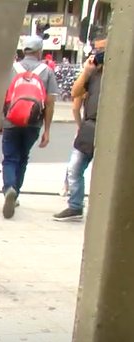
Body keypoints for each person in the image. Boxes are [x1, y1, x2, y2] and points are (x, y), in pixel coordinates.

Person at [0, 35, 58, 219]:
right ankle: (16, 191)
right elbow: (50, 103)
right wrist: (47, 130)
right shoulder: (47, 71)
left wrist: (0, 121)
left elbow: (2, 96)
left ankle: (9, 187)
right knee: (23, 158)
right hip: (33, 123)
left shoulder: (11, 69)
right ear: (40, 51)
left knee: (10, 157)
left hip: (11, 121)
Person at [53, 33, 106, 222]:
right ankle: (75, 206)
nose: (98, 53)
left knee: (105, 172)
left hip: (105, 127)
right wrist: (86, 72)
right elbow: (75, 94)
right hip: (88, 126)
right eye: (96, 49)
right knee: (74, 168)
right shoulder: (93, 73)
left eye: (102, 49)